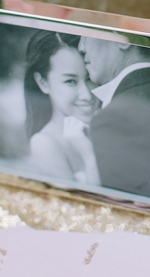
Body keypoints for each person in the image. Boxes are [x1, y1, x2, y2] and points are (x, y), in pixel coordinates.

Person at [77, 36, 150, 201]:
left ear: (122, 40)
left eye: (85, 35)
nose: (80, 47)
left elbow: (130, 208)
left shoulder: (113, 119)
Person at [23, 31, 101, 184]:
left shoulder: (107, 126)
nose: (87, 95)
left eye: (89, 78)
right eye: (70, 81)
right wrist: (90, 158)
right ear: (43, 83)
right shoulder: (44, 143)